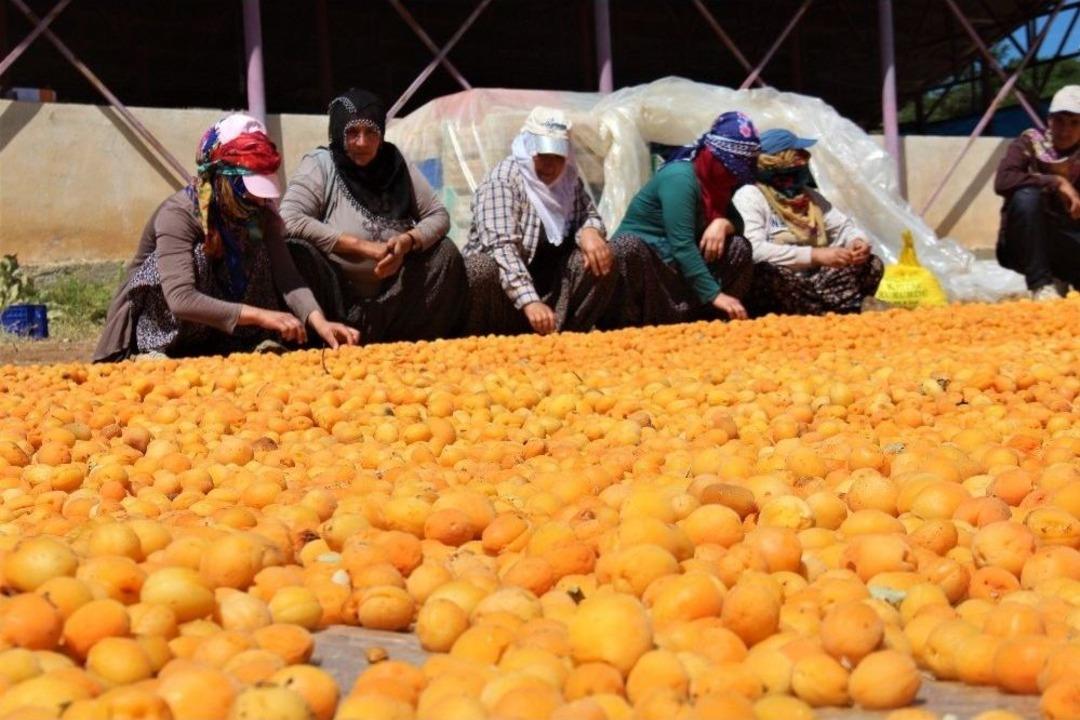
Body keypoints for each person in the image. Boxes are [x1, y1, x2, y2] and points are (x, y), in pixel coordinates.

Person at [94, 114, 357, 362]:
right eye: (247, 190)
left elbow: (288, 278)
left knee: (270, 250)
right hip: (165, 324)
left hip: (215, 328)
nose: (257, 200)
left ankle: (233, 345)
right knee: (199, 255)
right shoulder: (180, 213)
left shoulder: (260, 214)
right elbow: (181, 298)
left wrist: (319, 322)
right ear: (220, 180)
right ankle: (152, 351)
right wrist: (261, 317)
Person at [280, 89, 466, 341]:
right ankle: (324, 336)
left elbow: (438, 215)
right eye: (352, 133)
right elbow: (289, 218)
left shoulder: (395, 164)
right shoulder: (321, 164)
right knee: (295, 250)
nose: (362, 142)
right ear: (337, 132)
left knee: (445, 253)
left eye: (371, 132)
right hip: (336, 297)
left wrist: (407, 242)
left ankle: (409, 341)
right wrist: (362, 247)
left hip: (395, 296)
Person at [463, 107, 615, 336]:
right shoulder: (503, 182)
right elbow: (501, 248)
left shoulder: (568, 182)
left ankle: (570, 330)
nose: (550, 166)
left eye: (557, 157)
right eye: (542, 155)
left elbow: (588, 215)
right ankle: (485, 336)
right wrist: (529, 301)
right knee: (480, 268)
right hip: (504, 294)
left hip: (549, 289)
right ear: (527, 148)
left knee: (600, 254)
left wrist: (590, 231)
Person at [600, 111, 758, 329]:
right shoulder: (681, 178)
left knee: (739, 246)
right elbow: (682, 244)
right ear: (712, 156)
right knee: (627, 247)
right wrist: (715, 295)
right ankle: (626, 325)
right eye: (729, 168)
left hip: (679, 271)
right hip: (651, 268)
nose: (733, 177)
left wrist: (722, 223)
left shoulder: (717, 186)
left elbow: (738, 223)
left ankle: (712, 321)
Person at [732, 128, 884, 316]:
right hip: (784, 284)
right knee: (766, 273)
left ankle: (826, 312)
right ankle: (822, 312)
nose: (804, 162)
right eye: (798, 157)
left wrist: (857, 242)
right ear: (781, 163)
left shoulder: (809, 197)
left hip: (814, 283)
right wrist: (815, 255)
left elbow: (844, 227)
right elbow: (754, 250)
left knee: (870, 264)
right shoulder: (751, 196)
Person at [994, 84, 1080, 300]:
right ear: (1049, 120)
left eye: (1075, 123)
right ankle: (1041, 285)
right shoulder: (1031, 142)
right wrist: (1055, 181)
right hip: (1025, 242)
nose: (1065, 129)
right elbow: (1003, 180)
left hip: (1070, 241)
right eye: (1059, 120)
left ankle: (1064, 276)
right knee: (1026, 196)